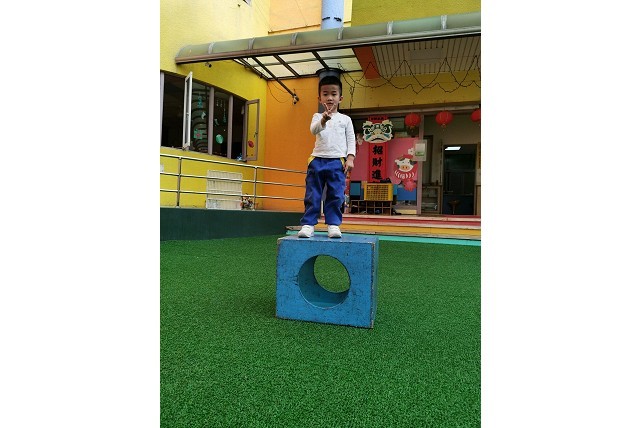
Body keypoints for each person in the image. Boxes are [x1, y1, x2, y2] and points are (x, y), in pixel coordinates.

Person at [298, 75, 356, 238]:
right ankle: (308, 224)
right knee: (312, 193)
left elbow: (351, 139)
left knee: (336, 194)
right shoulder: (317, 116)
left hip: (337, 161)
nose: (330, 98)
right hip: (317, 159)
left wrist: (350, 158)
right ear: (319, 98)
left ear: (340, 98)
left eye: (333, 94)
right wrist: (324, 118)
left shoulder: (346, 119)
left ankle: (333, 225)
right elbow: (314, 130)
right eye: (325, 94)